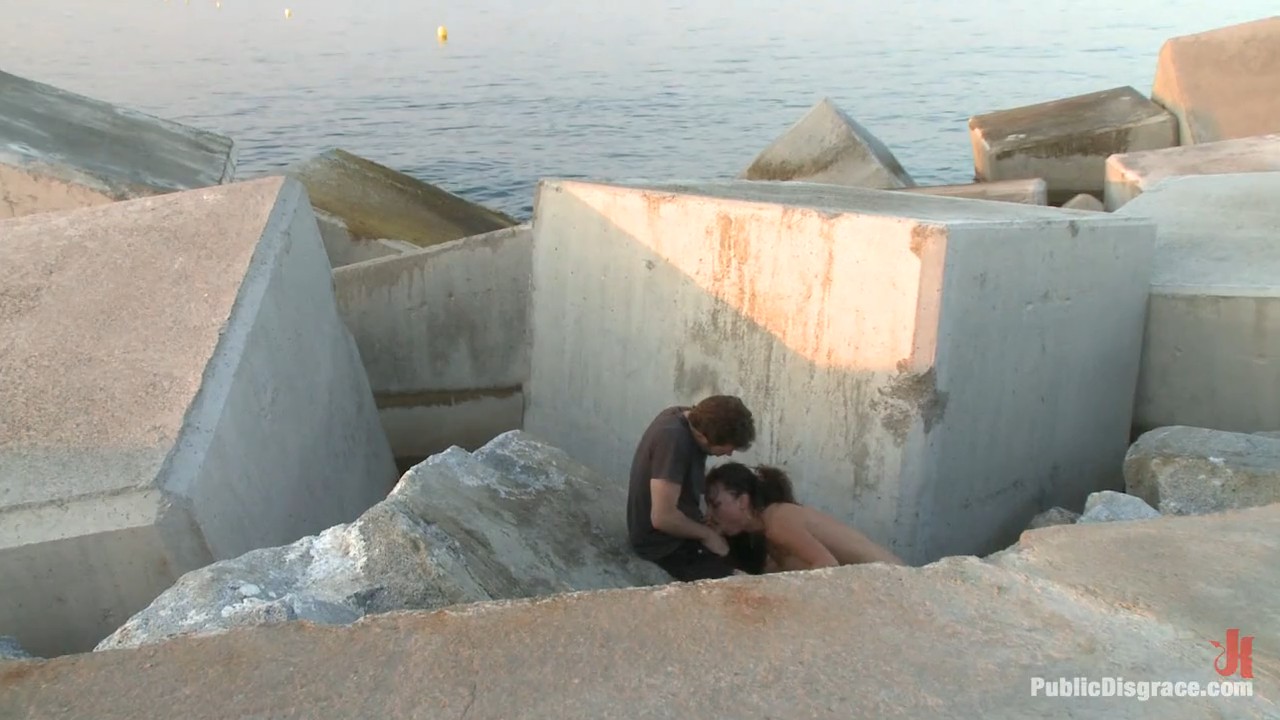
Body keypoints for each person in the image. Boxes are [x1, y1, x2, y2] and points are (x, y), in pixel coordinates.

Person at [627, 395, 757, 581]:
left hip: (685, 526)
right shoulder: (672, 440)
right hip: (663, 544)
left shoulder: (686, 416)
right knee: (739, 583)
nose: (729, 454)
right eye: (727, 448)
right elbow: (663, 518)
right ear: (703, 437)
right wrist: (707, 535)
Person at [704, 462, 905, 571]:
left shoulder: (778, 520)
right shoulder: (770, 533)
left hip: (893, 584)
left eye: (715, 505)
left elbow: (827, 567)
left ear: (743, 501)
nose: (709, 514)